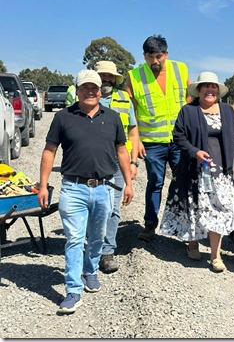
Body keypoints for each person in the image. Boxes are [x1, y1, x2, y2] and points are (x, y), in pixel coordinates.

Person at [37, 69, 133, 315]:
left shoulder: (112, 117)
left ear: (101, 90)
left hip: (104, 188)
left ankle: (90, 271)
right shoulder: (63, 117)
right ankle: (73, 290)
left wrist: (129, 183)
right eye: (85, 88)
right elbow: (50, 151)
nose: (90, 92)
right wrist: (43, 184)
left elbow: (122, 151)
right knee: (74, 239)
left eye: (95, 88)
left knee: (98, 238)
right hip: (73, 188)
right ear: (77, 90)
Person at [159, 72, 234, 272]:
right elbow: (178, 136)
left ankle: (215, 256)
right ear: (198, 90)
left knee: (220, 210)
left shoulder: (227, 110)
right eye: (205, 86)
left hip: (221, 172)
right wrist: (194, 151)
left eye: (213, 86)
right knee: (195, 209)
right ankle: (193, 243)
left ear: (218, 90)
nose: (210, 90)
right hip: (194, 171)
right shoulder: (188, 111)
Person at [124, 34, 191, 242]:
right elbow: (129, 111)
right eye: (150, 56)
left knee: (184, 182)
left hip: (180, 141)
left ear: (166, 54)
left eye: (159, 56)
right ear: (144, 56)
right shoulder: (133, 76)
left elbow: (191, 95)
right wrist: (137, 141)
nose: (155, 61)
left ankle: (183, 226)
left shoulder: (180, 69)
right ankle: (150, 224)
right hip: (152, 143)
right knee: (155, 183)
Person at [94, 60, 140, 273]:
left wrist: (133, 161)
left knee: (113, 209)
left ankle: (107, 252)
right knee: (93, 207)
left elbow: (133, 131)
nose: (107, 79)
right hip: (92, 162)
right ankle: (92, 247)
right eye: (103, 75)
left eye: (110, 76)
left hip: (118, 162)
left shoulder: (124, 99)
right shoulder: (85, 98)